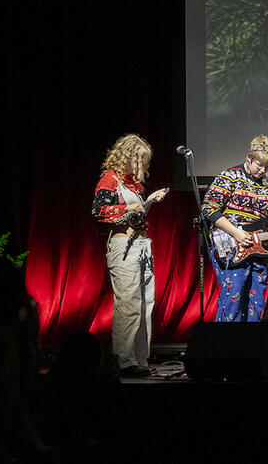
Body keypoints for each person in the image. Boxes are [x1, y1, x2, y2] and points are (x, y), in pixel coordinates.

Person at [91, 134, 168, 378]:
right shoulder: (110, 179)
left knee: (145, 304)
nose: (142, 165)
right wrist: (129, 207)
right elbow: (99, 211)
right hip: (123, 244)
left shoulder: (136, 185)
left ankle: (140, 358)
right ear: (128, 157)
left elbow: (137, 215)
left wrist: (149, 201)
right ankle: (124, 360)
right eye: (139, 160)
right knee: (129, 304)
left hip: (142, 245)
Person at [201, 135, 268, 322]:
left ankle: (252, 339)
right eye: (259, 165)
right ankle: (226, 340)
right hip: (231, 244)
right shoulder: (230, 175)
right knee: (232, 299)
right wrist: (236, 232)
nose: (263, 170)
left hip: (259, 248)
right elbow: (208, 208)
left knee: (257, 302)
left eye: (267, 166)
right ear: (249, 158)